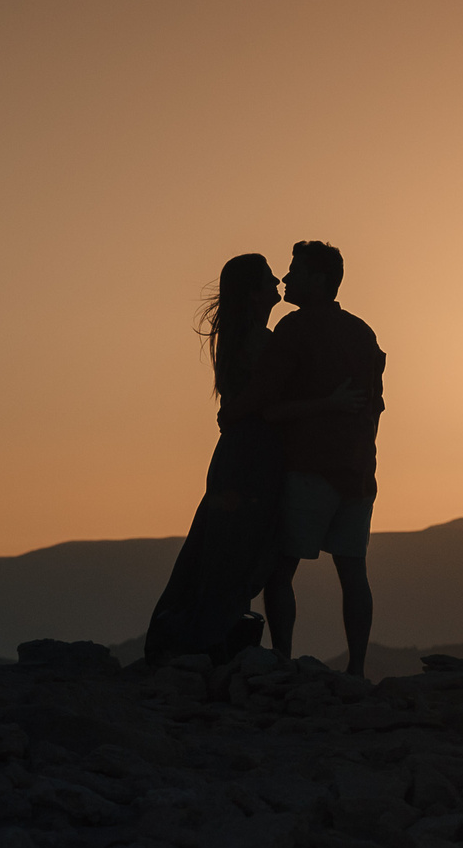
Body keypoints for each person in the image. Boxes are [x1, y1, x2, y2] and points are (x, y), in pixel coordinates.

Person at [235, 240, 385, 676]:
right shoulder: (362, 332)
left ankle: (282, 660)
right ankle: (356, 670)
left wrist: (237, 411)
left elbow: (269, 402)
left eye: (295, 272)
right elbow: (374, 404)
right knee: (353, 573)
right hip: (357, 473)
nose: (286, 279)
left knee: (281, 572)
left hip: (309, 468)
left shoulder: (295, 329)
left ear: (318, 280)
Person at [140, 253, 287, 665]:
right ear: (255, 292)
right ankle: (208, 639)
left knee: (215, 548)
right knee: (241, 549)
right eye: (268, 277)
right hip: (255, 458)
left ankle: (192, 635)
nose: (278, 280)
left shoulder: (236, 336)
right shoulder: (260, 339)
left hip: (234, 455)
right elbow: (267, 403)